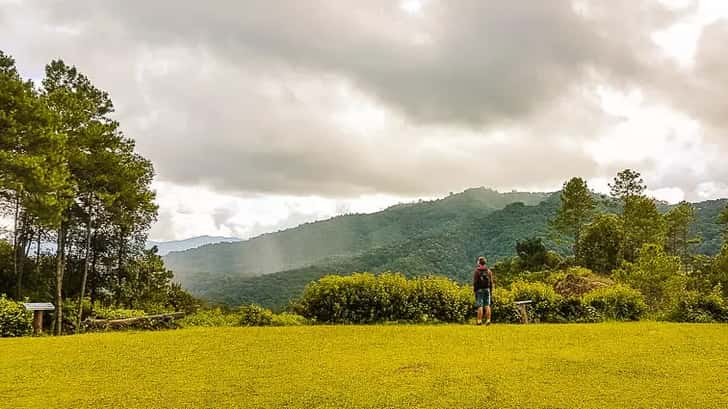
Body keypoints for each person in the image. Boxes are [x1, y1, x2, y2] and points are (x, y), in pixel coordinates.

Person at [473, 256, 494, 326]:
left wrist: (475, 290)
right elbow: (491, 282)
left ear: (479, 262)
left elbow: (475, 282)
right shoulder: (489, 271)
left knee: (480, 305)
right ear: (485, 263)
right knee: (487, 305)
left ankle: (479, 321)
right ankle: (488, 320)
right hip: (487, 289)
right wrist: (491, 291)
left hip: (479, 290)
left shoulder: (477, 271)